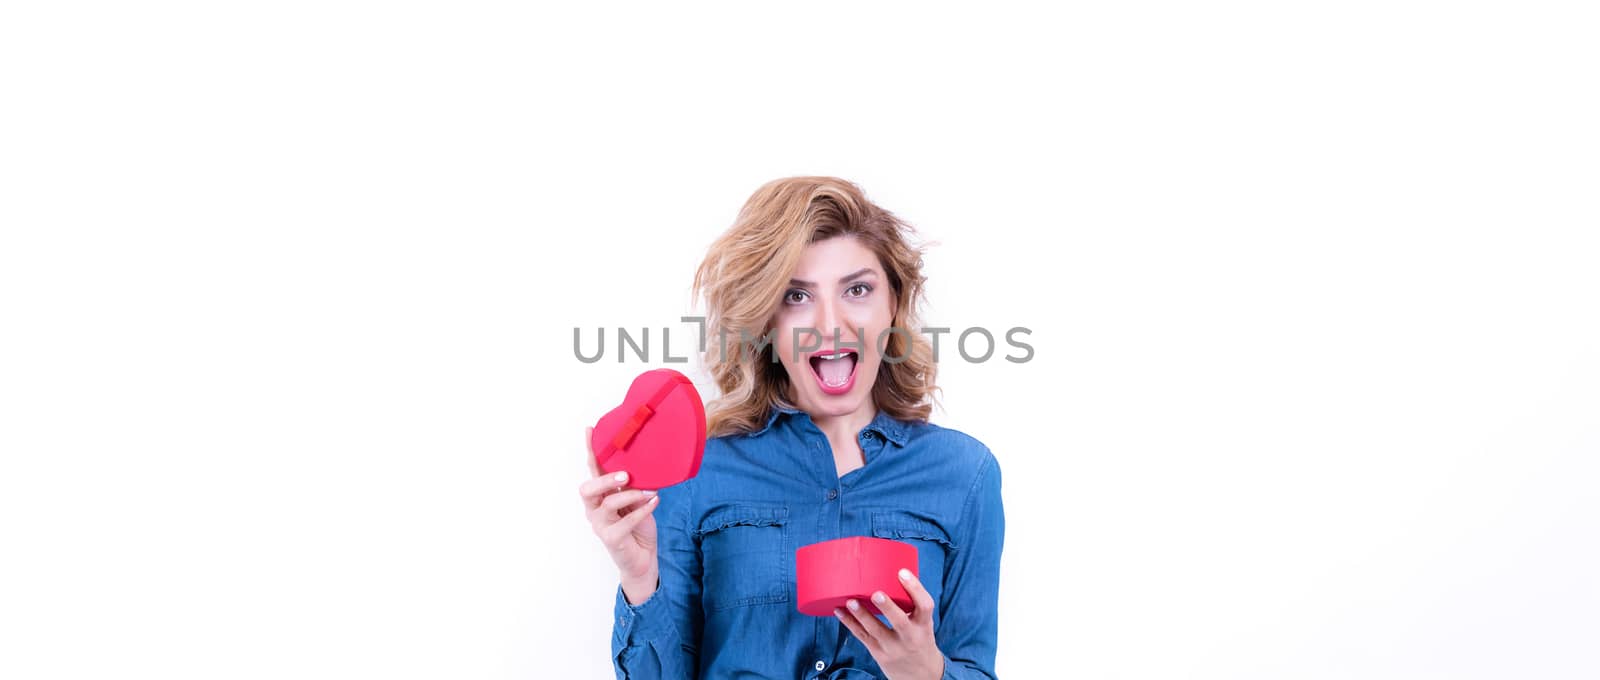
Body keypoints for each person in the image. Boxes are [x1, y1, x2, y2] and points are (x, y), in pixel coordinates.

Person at [579, 177, 1004, 679]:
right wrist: (639, 576)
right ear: (766, 320)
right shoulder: (699, 469)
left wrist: (925, 671)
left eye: (858, 289)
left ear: (893, 304)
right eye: (797, 295)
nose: (830, 324)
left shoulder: (963, 473)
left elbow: (974, 666)